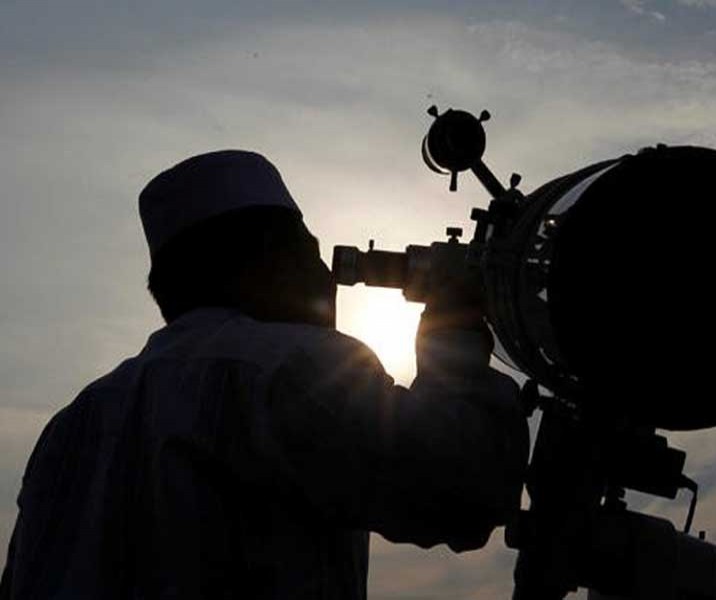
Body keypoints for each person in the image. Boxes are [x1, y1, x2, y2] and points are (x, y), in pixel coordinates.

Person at [0, 150, 529, 599]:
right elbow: (462, 488)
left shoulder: (73, 423)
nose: (328, 279)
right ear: (265, 262)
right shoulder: (291, 369)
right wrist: (453, 334)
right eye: (310, 256)